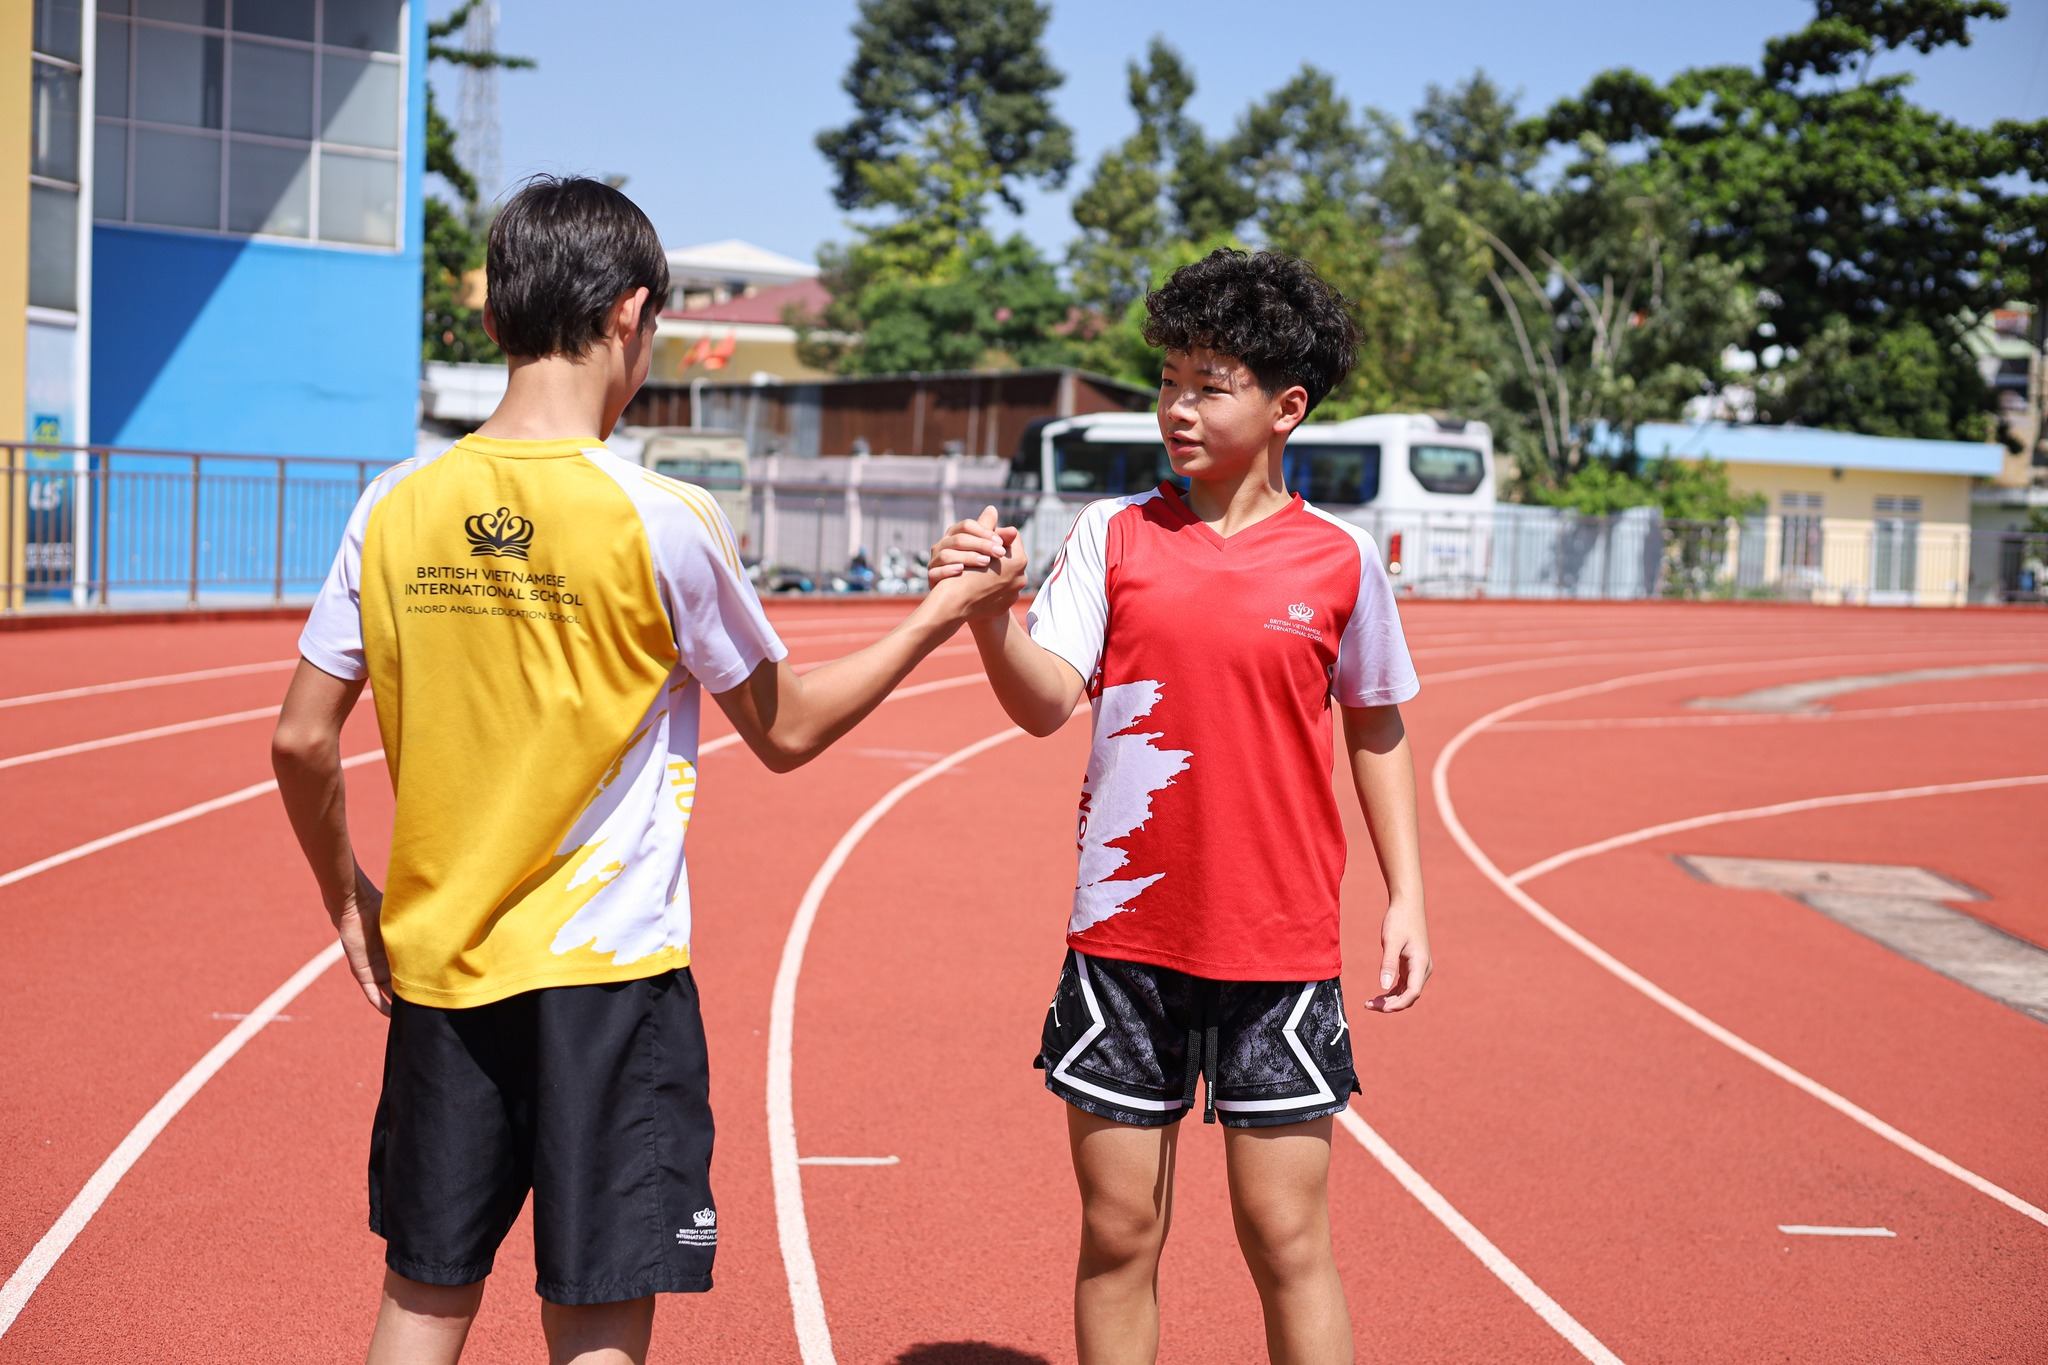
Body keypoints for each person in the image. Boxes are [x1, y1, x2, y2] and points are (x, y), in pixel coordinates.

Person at [270, 175, 1023, 1365]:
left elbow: (302, 737)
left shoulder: (393, 505)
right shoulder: (662, 517)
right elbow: (786, 728)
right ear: (631, 313)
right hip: (606, 975)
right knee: (600, 1310)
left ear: (495, 319)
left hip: (438, 975)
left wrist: (347, 902)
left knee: (422, 1299)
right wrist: (940, 617)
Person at [929, 249, 1431, 1364]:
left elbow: (1375, 721)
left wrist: (1406, 898)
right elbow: (1042, 703)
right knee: (1117, 1234)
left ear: (1284, 406)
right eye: (1167, 380)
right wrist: (986, 618)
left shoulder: (1341, 560)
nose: (1175, 407)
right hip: (1124, 943)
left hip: (1281, 946)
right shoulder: (1112, 536)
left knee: (1285, 1236)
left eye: (1209, 384)